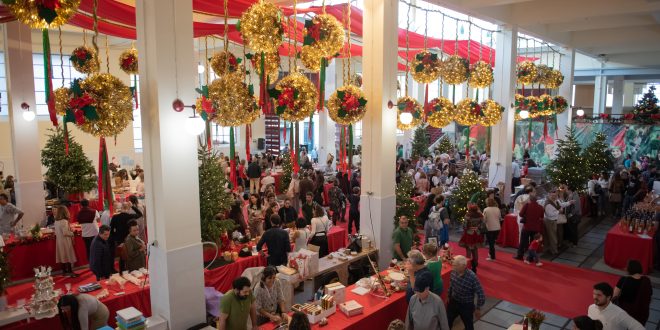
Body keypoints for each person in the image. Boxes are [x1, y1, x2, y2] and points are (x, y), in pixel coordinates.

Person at [447, 255, 486, 330]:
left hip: (466, 305)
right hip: (454, 301)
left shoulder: (472, 277)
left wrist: (478, 308)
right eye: (453, 264)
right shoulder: (454, 271)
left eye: (455, 265)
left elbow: (481, 294)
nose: (453, 266)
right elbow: (451, 284)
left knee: (468, 325)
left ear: (463, 266)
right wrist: (449, 296)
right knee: (447, 321)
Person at [613, 260, 652, 325]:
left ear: (629, 269)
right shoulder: (646, 280)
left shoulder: (624, 280)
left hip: (626, 312)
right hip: (642, 312)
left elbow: (615, 295)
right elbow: (649, 295)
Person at [109, 202, 143, 272]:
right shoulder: (129, 216)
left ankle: (122, 271)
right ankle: (130, 269)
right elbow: (140, 214)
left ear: (120, 209)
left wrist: (115, 238)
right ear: (127, 208)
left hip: (120, 239)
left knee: (122, 256)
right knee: (131, 254)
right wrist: (132, 206)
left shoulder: (115, 217)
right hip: (130, 238)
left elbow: (111, 230)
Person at [515, 195, 544, 260]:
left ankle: (520, 256)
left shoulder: (527, 205)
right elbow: (542, 217)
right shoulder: (540, 207)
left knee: (522, 241)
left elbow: (520, 214)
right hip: (536, 228)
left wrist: (526, 215)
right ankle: (531, 258)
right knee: (533, 243)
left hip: (527, 227)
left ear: (530, 200)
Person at [53, 205, 78, 277]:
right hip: (65, 240)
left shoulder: (56, 221)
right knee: (68, 255)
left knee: (62, 256)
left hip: (59, 241)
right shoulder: (64, 221)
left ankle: (64, 271)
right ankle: (70, 271)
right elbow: (65, 233)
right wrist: (73, 233)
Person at [459, 204, 484, 273]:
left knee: (469, 249)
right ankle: (475, 263)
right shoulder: (480, 215)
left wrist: (468, 228)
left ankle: (468, 264)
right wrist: (477, 228)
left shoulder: (468, 215)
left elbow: (464, 225)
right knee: (475, 249)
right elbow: (482, 225)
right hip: (477, 233)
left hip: (469, 233)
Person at [543, 190, 566, 256]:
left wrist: (569, 202)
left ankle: (553, 248)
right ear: (549, 195)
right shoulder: (548, 204)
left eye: (555, 195)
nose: (554, 197)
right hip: (550, 222)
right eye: (552, 195)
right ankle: (554, 251)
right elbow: (550, 214)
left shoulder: (555, 201)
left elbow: (561, 204)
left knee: (554, 236)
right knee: (552, 237)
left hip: (554, 221)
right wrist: (559, 211)